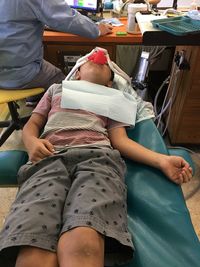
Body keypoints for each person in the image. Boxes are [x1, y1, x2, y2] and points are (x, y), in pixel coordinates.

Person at [0, 55, 193, 267]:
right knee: (34, 245)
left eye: (107, 64)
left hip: (98, 161)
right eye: (88, 59)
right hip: (48, 158)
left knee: (84, 237)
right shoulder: (57, 89)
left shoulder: (112, 97)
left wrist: (162, 160)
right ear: (77, 73)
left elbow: (121, 141)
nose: (98, 55)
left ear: (110, 82)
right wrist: (31, 142)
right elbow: (33, 124)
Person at [0, 0, 112, 105]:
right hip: (19, 74)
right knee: (60, 80)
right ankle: (45, 111)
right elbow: (66, 19)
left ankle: (34, 100)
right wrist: (96, 30)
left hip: (6, 69)